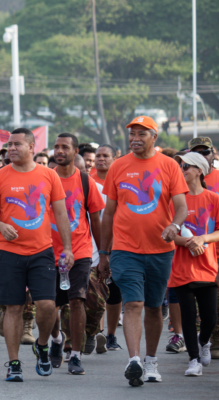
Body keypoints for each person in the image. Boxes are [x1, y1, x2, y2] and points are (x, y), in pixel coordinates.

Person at [99, 115, 188, 387]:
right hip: (125, 249)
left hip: (161, 249)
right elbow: (109, 214)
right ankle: (134, 360)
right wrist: (104, 253)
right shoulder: (119, 166)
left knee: (153, 307)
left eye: (141, 134)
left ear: (154, 137)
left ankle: (151, 361)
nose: (135, 138)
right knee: (133, 303)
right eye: (132, 134)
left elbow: (182, 206)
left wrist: (174, 225)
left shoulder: (169, 166)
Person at [0, 127, 74, 382]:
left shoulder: (49, 175)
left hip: (42, 252)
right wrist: (0, 226)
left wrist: (66, 248)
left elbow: (61, 214)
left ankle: (42, 346)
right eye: (9, 145)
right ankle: (14, 363)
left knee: (46, 306)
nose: (11, 148)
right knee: (14, 308)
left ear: (32, 147)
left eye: (17, 144)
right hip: (10, 254)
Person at [49, 133, 105, 375]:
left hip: (79, 251)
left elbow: (95, 220)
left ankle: (75, 354)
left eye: (64, 147)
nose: (59, 151)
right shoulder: (45, 178)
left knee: (77, 300)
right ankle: (57, 338)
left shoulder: (85, 181)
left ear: (75, 152)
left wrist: (103, 255)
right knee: (48, 305)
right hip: (47, 252)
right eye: (56, 147)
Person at [168, 152, 219, 376]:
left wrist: (202, 239)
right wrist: (188, 243)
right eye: (181, 165)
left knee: (210, 317)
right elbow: (166, 232)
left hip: (208, 267)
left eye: (186, 165)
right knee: (188, 315)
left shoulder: (214, 199)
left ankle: (204, 341)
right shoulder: (175, 200)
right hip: (180, 267)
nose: (182, 168)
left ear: (199, 171)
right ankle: (193, 360)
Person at [187, 137, 219, 358]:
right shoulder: (183, 183)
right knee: (203, 306)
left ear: (213, 154)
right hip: (196, 252)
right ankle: (209, 342)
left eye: (205, 152)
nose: (202, 155)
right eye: (196, 153)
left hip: (212, 240)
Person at [90, 144, 123, 351]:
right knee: (97, 289)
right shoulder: (88, 181)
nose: (101, 159)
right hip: (94, 245)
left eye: (105, 156)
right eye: (98, 156)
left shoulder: (120, 180)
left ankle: (110, 335)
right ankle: (97, 333)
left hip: (118, 243)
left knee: (115, 291)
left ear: (114, 158)